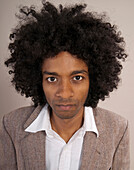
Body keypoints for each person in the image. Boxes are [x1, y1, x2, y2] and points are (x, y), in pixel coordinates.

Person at [0, 1, 130, 170]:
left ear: (94, 79)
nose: (64, 92)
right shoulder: (11, 125)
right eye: (52, 79)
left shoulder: (117, 129)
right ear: (38, 80)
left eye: (77, 77)